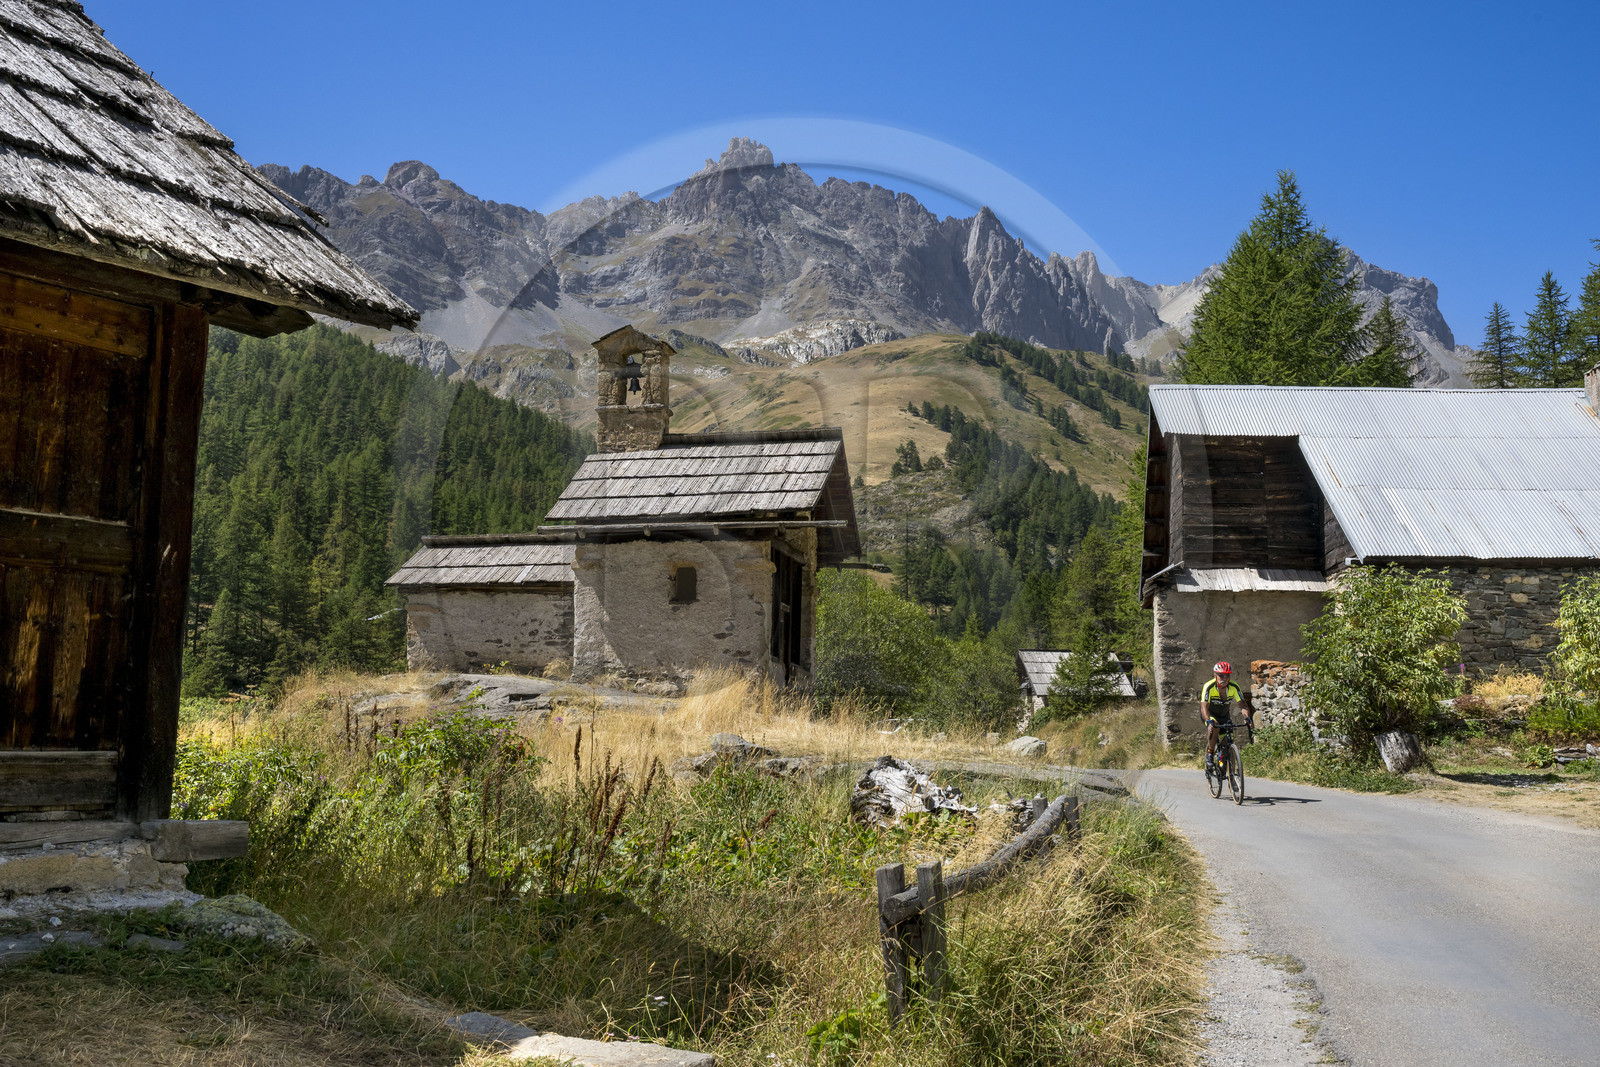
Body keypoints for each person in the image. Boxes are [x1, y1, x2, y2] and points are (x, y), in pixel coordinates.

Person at [1201, 662, 1251, 771]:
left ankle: (1231, 774)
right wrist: (1208, 720)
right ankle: (1210, 754)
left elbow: (1242, 704)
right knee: (1214, 726)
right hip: (1210, 715)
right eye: (1221, 675)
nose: (1224, 678)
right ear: (1215, 675)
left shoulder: (1233, 686)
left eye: (1227, 675)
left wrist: (1247, 717)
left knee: (1229, 742)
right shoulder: (1209, 687)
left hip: (1224, 715)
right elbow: (1204, 707)